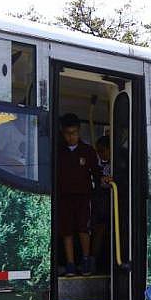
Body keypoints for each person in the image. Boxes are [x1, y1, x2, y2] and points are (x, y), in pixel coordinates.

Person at [57, 113, 105, 276]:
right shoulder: (58, 151)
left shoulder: (88, 151)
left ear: (79, 132)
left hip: (84, 197)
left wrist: (103, 179)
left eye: (74, 133)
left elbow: (97, 172)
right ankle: (70, 263)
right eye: (68, 133)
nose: (71, 137)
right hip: (63, 197)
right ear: (63, 133)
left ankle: (85, 261)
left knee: (84, 229)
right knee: (67, 231)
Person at [91, 135, 112, 271]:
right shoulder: (97, 166)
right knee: (99, 230)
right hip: (101, 204)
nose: (100, 154)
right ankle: (94, 261)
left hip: (113, 203)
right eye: (98, 151)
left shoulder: (120, 164)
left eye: (103, 151)